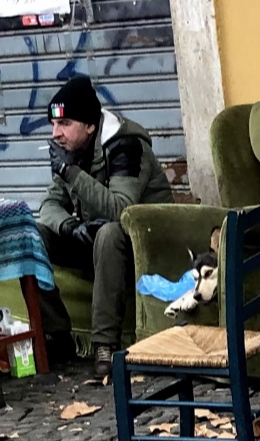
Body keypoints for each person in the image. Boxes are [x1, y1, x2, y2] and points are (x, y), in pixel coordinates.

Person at [36, 75, 173, 378]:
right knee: (35, 235)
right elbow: (48, 205)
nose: (56, 134)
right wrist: (70, 227)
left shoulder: (127, 146)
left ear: (90, 125)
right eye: (53, 124)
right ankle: (57, 335)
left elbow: (122, 210)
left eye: (65, 124)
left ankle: (105, 344)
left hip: (146, 247)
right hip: (100, 245)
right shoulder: (73, 150)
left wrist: (70, 171)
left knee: (109, 233)